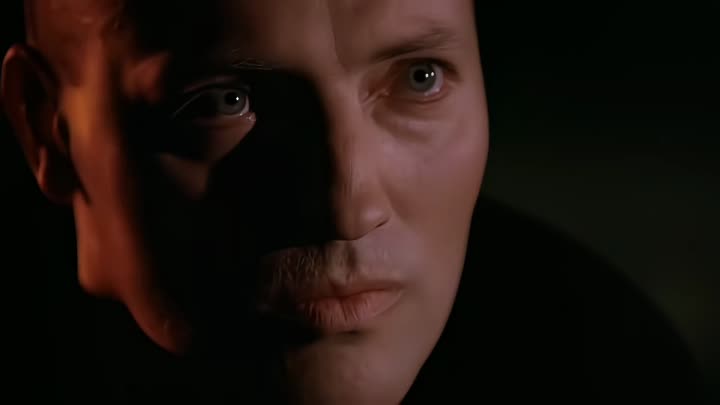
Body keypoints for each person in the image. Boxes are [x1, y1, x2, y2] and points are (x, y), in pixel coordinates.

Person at [0, 1, 707, 403]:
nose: (348, 207)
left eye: (420, 77)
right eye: (222, 102)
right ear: (46, 129)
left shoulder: (602, 368)